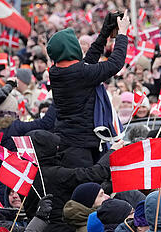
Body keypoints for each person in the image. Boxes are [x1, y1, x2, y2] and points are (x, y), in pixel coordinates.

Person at [47, 11, 129, 165]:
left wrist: (105, 33)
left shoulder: (57, 70)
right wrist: (122, 34)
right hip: (80, 146)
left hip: (70, 140)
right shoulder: (81, 73)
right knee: (88, 184)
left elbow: (88, 62)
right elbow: (114, 64)